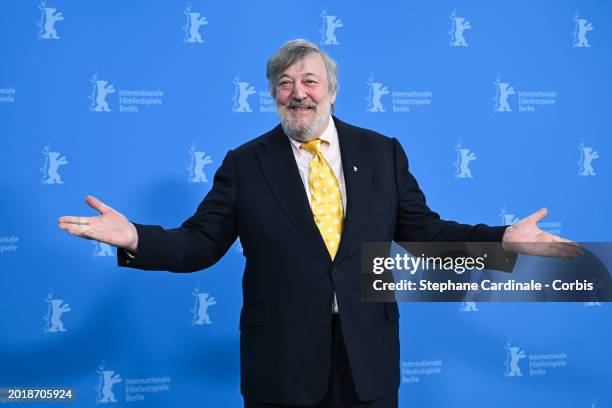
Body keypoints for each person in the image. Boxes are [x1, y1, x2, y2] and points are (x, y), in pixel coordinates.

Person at [58, 39, 580, 408]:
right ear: (274, 97)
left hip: (367, 358)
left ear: (332, 90)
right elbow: (199, 243)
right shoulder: (245, 163)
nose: (297, 92)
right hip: (281, 360)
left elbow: (424, 231)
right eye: (284, 84)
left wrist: (501, 240)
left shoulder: (381, 153)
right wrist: (134, 239)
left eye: (309, 80)